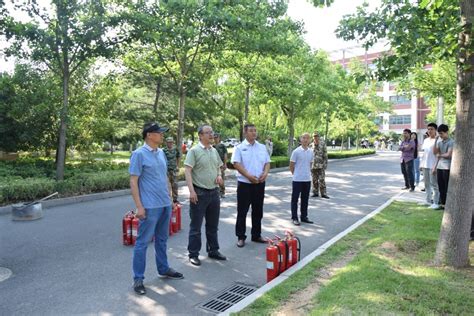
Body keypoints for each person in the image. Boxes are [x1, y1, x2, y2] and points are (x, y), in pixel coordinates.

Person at [129, 122, 183, 295]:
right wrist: (139, 206)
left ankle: (164, 268)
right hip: (149, 207)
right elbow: (133, 181)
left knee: (162, 239)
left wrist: (171, 198)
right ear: (149, 135)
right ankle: (138, 278)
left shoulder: (161, 153)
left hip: (165, 204)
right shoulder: (138, 154)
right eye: (159, 133)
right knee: (142, 243)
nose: (162, 136)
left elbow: (164, 177)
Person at [184, 125, 226, 266]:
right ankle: (193, 254)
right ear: (200, 135)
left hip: (214, 192)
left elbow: (218, 168)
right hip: (199, 193)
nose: (211, 135)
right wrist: (191, 191)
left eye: (212, 132)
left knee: (213, 225)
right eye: (208, 133)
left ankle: (213, 250)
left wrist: (219, 176)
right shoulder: (194, 151)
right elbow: (188, 171)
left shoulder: (214, 151)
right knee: (195, 227)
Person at [232, 123, 270, 248]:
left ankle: (256, 234)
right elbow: (236, 164)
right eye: (251, 131)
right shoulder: (239, 148)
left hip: (259, 184)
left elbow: (267, 162)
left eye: (255, 130)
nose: (254, 133)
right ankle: (241, 236)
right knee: (242, 211)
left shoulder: (262, 147)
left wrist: (265, 173)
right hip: (245, 184)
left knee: (258, 210)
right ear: (245, 133)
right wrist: (248, 176)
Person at [290, 133, 314, 225]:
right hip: (297, 180)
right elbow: (291, 165)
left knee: (305, 199)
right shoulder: (296, 151)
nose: (305, 140)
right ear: (300, 139)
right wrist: (295, 174)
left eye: (307, 138)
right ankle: (294, 217)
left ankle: (304, 217)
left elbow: (310, 164)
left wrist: (307, 173)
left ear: (309, 140)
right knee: (295, 199)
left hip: (307, 179)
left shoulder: (311, 151)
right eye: (304, 138)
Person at [433, 124, 454, 209]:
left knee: (446, 186)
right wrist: (435, 141)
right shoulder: (439, 142)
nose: (440, 135)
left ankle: (448, 204)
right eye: (439, 134)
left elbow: (449, 154)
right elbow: (435, 152)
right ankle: (443, 204)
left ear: (446, 132)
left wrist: (440, 155)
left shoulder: (451, 142)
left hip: (447, 167)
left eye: (441, 133)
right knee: (440, 186)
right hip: (440, 167)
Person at [420, 123, 440, 209]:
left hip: (433, 165)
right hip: (425, 165)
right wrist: (421, 164)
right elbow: (425, 153)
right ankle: (428, 201)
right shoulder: (426, 140)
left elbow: (438, 154)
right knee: (426, 184)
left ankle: (436, 202)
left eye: (431, 129)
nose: (429, 131)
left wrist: (435, 167)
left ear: (435, 130)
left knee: (434, 185)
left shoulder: (438, 140)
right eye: (428, 129)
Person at [311, 132, 329, 199]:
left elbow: (325, 155)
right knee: (314, 180)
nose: (315, 137)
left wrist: (325, 164)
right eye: (314, 136)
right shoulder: (311, 145)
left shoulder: (322, 144)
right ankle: (315, 192)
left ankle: (323, 193)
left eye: (317, 136)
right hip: (313, 166)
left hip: (321, 165)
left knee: (322, 180)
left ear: (319, 137)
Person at [163, 137, 181, 203]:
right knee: (167, 186)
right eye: (169, 142)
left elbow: (178, 156)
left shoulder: (175, 149)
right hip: (166, 170)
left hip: (174, 170)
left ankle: (175, 199)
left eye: (171, 142)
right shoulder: (163, 150)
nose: (170, 143)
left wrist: (177, 166)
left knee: (175, 185)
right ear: (166, 143)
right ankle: (167, 199)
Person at [213, 133, 228, 198]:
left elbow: (225, 155)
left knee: (221, 178)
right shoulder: (212, 146)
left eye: (217, 137)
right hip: (213, 165)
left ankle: (222, 191)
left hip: (221, 164)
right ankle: (216, 192)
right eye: (215, 137)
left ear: (219, 138)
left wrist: (225, 164)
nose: (215, 139)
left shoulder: (222, 146)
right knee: (214, 179)